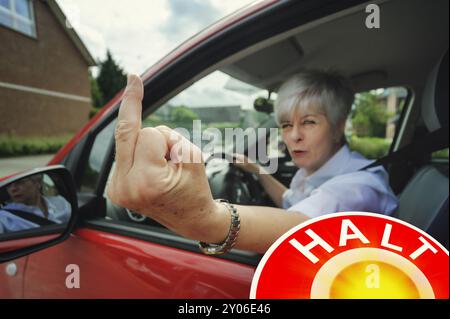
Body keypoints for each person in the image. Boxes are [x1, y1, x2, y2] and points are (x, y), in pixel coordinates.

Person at [107, 71, 398, 254]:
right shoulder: (315, 171)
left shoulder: (360, 186)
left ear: (338, 126)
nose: (293, 136)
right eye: (285, 125)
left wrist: (206, 217)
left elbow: (302, 228)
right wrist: (258, 171)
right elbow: (290, 201)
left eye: (308, 122)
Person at [0, 175, 71, 234]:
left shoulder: (61, 203)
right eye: (9, 185)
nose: (13, 189)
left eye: (20, 182)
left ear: (38, 183)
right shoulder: (4, 217)